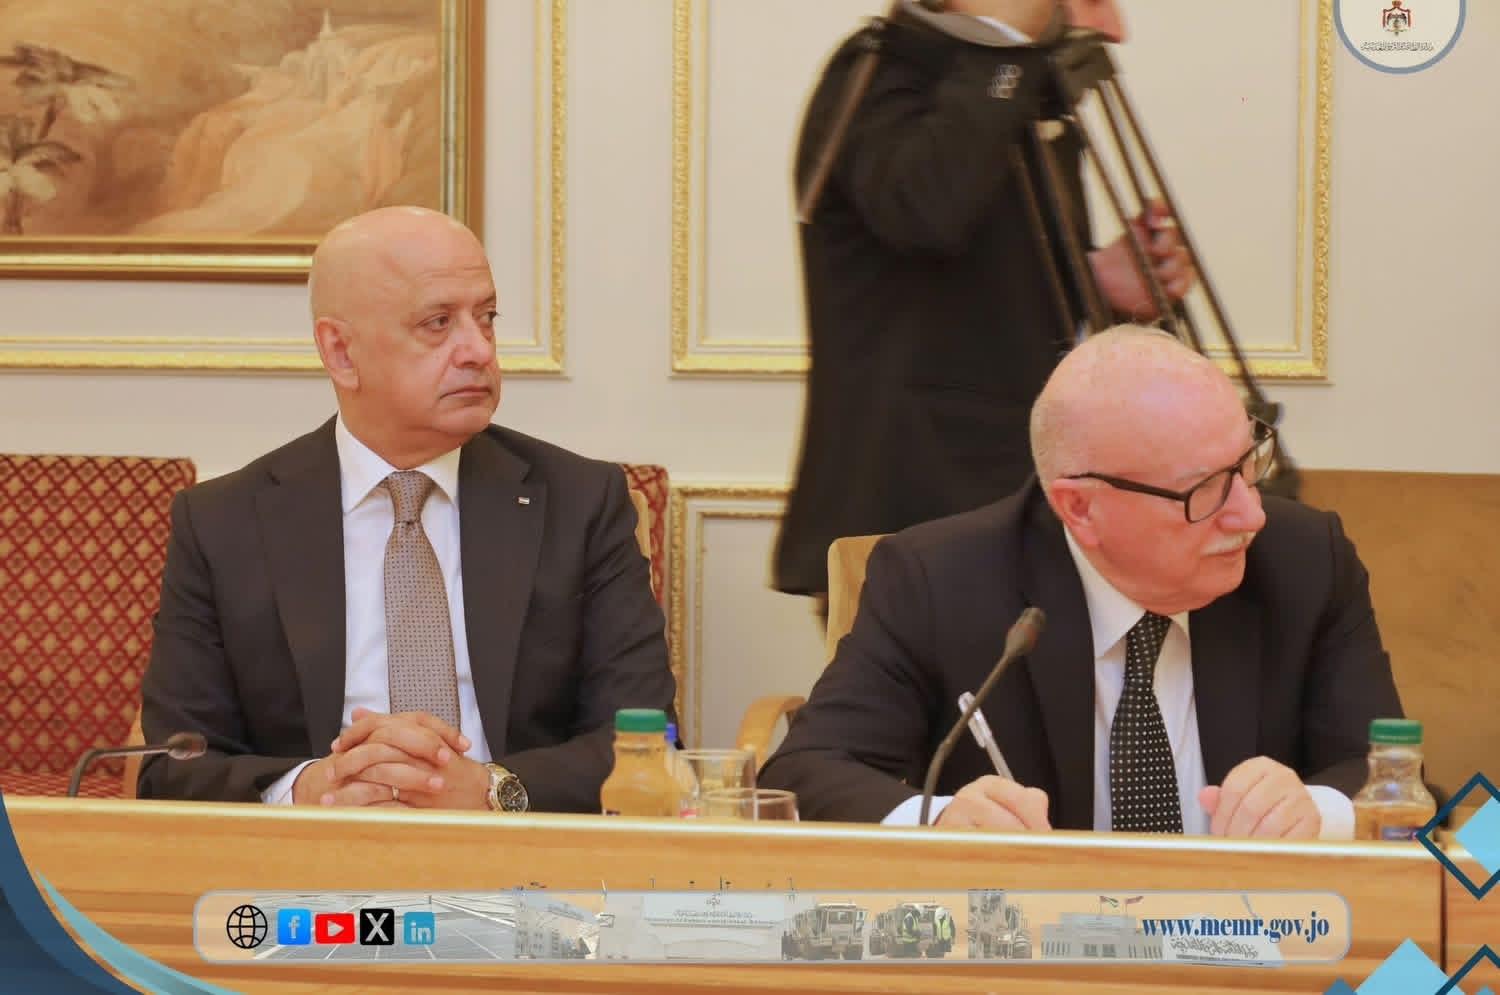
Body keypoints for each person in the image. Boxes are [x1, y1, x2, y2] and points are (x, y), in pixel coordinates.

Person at [760, 327, 1404, 839]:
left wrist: (1316, 808)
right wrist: (942, 819)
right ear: (1080, 508)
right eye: (1206, 490)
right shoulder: (939, 580)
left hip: (1252, 935)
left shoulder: (1304, 560)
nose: (1250, 514)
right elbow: (805, 773)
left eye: (1247, 463)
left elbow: (1392, 774)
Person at [138, 206, 674, 812]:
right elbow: (173, 766)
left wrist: (492, 789)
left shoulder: (581, 502)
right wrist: (309, 789)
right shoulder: (224, 523)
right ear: (341, 352)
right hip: (309, 855)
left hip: (519, 855)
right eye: (437, 323)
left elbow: (645, 741)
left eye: (486, 317)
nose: (478, 349)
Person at [773, 0, 1195, 607]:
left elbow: (967, 297)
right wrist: (1001, 41)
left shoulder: (1009, 91)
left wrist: (1096, 286)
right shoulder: (880, 77)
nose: (1114, 28)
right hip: (906, 532)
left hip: (1018, 512)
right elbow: (925, 210)